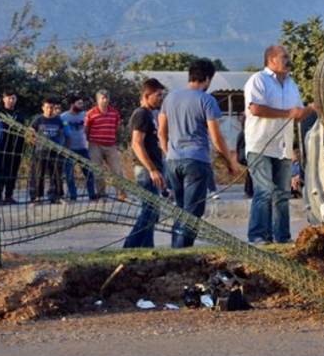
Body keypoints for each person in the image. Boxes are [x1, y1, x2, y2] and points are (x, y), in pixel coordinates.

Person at [159, 59, 237, 248]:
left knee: (180, 209)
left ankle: (175, 249)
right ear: (208, 78)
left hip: (173, 160)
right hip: (196, 160)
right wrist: (230, 162)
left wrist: (169, 152)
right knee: (193, 212)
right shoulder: (206, 100)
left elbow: (161, 132)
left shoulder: (170, 98)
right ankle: (182, 251)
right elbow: (217, 139)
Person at [243, 45, 313, 244]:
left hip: (283, 147)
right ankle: (257, 236)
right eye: (284, 57)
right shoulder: (258, 80)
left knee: (282, 194)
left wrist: (310, 109)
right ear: (271, 60)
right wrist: (288, 114)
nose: (288, 60)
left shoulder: (292, 84)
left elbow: (297, 113)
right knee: (264, 191)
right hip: (260, 146)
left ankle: (282, 237)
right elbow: (255, 108)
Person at [123, 78, 166, 248]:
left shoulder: (150, 114)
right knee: (149, 211)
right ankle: (130, 246)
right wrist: (152, 169)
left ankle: (148, 247)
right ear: (146, 95)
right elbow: (136, 143)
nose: (160, 98)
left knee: (152, 212)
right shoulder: (141, 114)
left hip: (153, 169)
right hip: (145, 170)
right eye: (158, 95)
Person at [85, 89, 126, 200]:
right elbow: (86, 129)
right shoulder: (90, 113)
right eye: (103, 98)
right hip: (95, 145)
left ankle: (121, 194)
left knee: (117, 170)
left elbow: (118, 127)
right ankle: (102, 194)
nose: (105, 100)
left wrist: (117, 140)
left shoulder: (114, 112)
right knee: (98, 171)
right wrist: (89, 140)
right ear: (98, 100)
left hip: (111, 144)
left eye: (107, 97)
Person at [28, 95, 66, 204]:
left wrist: (61, 146)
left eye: (51, 108)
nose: (49, 110)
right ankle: (37, 197)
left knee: (57, 176)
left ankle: (57, 196)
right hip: (40, 152)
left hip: (55, 152)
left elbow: (62, 133)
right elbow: (30, 131)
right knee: (39, 175)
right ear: (43, 108)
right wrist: (33, 141)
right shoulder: (38, 119)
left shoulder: (58, 120)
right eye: (47, 107)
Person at [61, 94, 96, 201]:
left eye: (82, 103)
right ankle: (73, 196)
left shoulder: (85, 115)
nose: (82, 105)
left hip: (83, 148)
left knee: (89, 173)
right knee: (69, 175)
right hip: (69, 149)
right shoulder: (63, 117)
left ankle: (92, 195)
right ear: (72, 104)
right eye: (79, 103)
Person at [0, 88, 25, 204]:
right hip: (1, 147)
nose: (11, 100)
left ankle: (9, 196)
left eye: (13, 98)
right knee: (0, 171)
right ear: (3, 99)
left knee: (12, 172)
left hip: (16, 148)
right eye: (9, 98)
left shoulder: (19, 115)